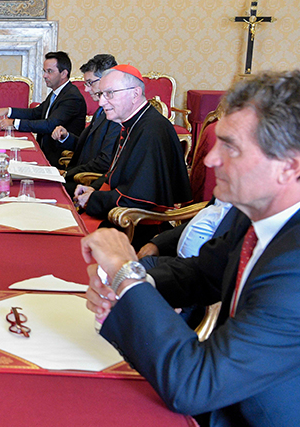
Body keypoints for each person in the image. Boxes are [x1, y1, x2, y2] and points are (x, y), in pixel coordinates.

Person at [82, 70, 300, 426]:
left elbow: (194, 384)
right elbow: (202, 272)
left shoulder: (295, 266)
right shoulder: (252, 214)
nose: (210, 160)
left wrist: (126, 273)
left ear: (289, 167)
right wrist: (128, 280)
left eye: (230, 147)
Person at [73, 65, 191, 231]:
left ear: (135, 94)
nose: (101, 102)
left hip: (136, 225)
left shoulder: (152, 131)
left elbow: (139, 198)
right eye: (101, 94)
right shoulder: (132, 124)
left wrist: (93, 199)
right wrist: (94, 188)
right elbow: (116, 173)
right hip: (121, 213)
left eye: (109, 93)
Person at [0, 51, 86, 167]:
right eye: (44, 71)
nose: (44, 76)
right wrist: (9, 111)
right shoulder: (57, 92)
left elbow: (50, 125)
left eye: (49, 71)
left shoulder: (72, 97)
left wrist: (14, 123)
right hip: (45, 150)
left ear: (64, 74)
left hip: (59, 158)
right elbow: (36, 113)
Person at [50, 54, 121, 196]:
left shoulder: (116, 116)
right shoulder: (101, 111)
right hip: (77, 174)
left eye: (90, 83)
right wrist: (66, 136)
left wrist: (67, 173)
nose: (87, 89)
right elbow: (87, 146)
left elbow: (104, 162)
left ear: (106, 80)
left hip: (87, 182)